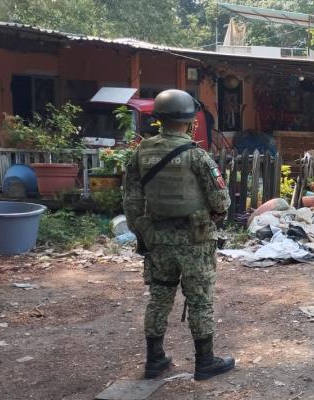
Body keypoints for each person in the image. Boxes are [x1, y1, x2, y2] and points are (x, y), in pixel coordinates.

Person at [123, 89, 234, 380]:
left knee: (159, 297)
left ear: (158, 118)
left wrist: (144, 231)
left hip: (157, 239)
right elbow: (221, 201)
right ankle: (205, 361)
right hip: (195, 241)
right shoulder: (196, 155)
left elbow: (132, 202)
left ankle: (154, 360)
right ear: (190, 120)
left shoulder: (140, 153)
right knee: (199, 300)